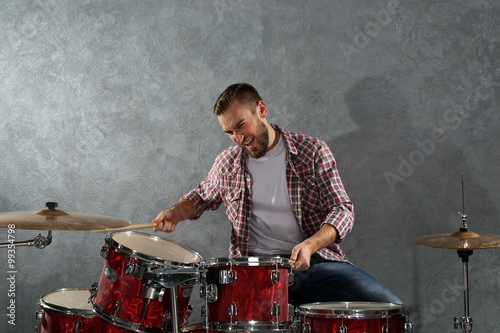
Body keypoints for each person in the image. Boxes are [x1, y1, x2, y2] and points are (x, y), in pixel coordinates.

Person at [154, 83, 401, 305]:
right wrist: (175, 212)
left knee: (388, 307)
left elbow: (342, 210)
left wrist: (310, 245)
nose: (238, 138)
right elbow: (200, 198)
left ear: (261, 109)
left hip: (315, 264)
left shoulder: (312, 151)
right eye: (229, 133)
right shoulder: (226, 163)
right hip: (254, 273)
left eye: (241, 125)